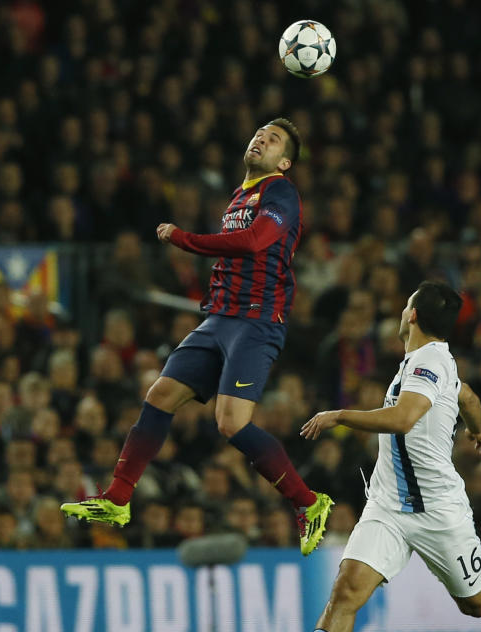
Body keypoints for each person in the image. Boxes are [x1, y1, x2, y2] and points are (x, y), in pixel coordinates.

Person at [61, 119, 333, 555]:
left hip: (256, 321)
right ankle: (117, 499)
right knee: (160, 394)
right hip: (219, 318)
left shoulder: (280, 191)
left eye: (274, 138)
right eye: (260, 132)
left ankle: (310, 502)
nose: (261, 137)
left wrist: (184, 240)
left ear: (284, 161)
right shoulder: (240, 195)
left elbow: (254, 241)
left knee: (230, 423)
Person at [300, 282, 481, 631]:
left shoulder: (428, 363)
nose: (402, 312)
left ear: (413, 315)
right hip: (388, 506)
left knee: (477, 602)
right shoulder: (433, 361)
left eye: (406, 306)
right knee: (346, 592)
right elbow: (467, 397)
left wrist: (340, 415)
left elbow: (403, 420)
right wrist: (476, 429)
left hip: (438, 510)